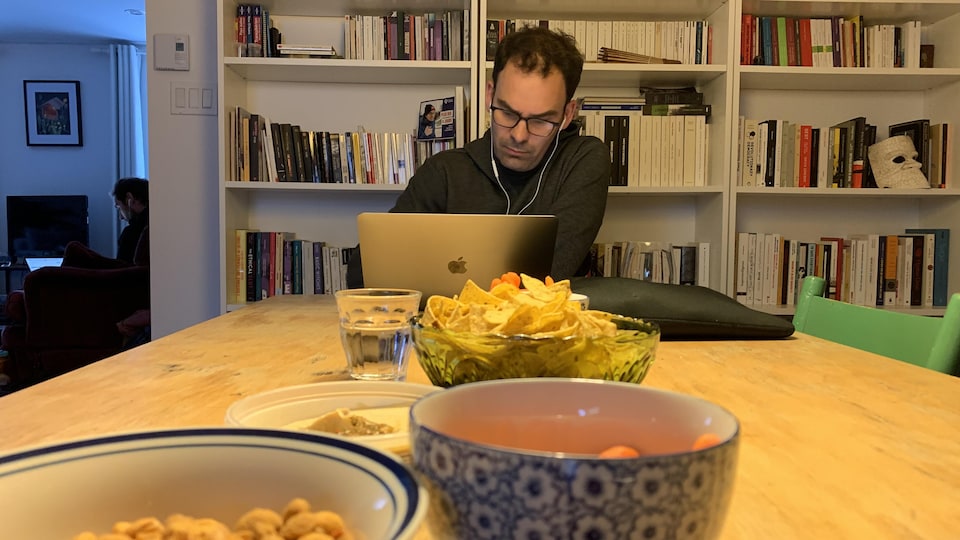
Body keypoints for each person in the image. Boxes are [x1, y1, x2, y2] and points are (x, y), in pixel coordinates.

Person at [348, 26, 609, 287]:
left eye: (540, 121)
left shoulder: (582, 159)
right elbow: (365, 273)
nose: (518, 135)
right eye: (507, 113)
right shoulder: (444, 171)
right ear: (489, 94)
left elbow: (550, 272)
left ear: (568, 114)